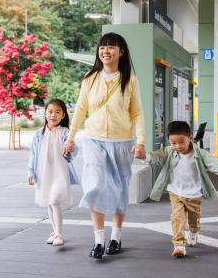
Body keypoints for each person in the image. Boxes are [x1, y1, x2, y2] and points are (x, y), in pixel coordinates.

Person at [64, 32, 146, 260]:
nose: (105, 51)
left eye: (111, 47)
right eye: (102, 47)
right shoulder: (90, 78)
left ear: (121, 52)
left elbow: (137, 112)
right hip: (93, 139)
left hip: (122, 142)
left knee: (120, 188)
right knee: (95, 186)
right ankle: (99, 240)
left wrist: (140, 141)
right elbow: (80, 108)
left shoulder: (130, 80)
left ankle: (116, 237)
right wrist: (70, 138)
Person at [141, 121, 218, 258]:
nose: (177, 146)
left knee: (194, 218)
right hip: (175, 191)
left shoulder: (200, 154)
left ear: (191, 138)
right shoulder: (168, 152)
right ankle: (179, 245)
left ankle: (193, 231)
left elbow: (215, 164)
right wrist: (144, 156)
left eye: (181, 142)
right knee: (177, 218)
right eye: (173, 143)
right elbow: (156, 157)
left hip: (194, 193)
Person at [28, 99, 78, 247]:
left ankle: (59, 234)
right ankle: (54, 231)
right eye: (50, 112)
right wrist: (30, 171)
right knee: (49, 203)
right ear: (45, 113)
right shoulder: (39, 134)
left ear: (63, 115)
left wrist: (70, 148)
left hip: (60, 173)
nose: (53, 115)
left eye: (57, 112)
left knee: (54, 200)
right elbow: (32, 154)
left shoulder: (65, 133)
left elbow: (72, 154)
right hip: (44, 173)